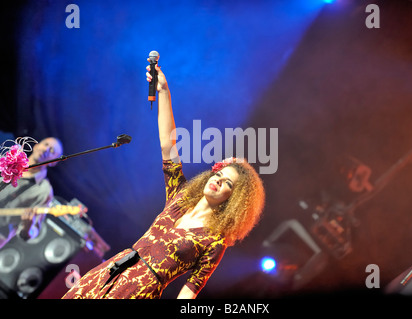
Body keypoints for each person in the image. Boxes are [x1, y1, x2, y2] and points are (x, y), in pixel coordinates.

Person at [62, 59, 265, 299]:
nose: (218, 180)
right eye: (219, 174)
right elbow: (168, 144)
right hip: (112, 270)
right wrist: (164, 92)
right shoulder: (179, 198)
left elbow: (191, 289)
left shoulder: (215, 240)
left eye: (227, 183)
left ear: (234, 200)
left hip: (139, 291)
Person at [0, 137, 64, 249]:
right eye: (46, 144)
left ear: (54, 162)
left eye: (52, 150)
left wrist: (27, 227)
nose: (46, 149)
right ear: (36, 145)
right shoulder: (7, 160)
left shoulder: (44, 190)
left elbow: (33, 230)